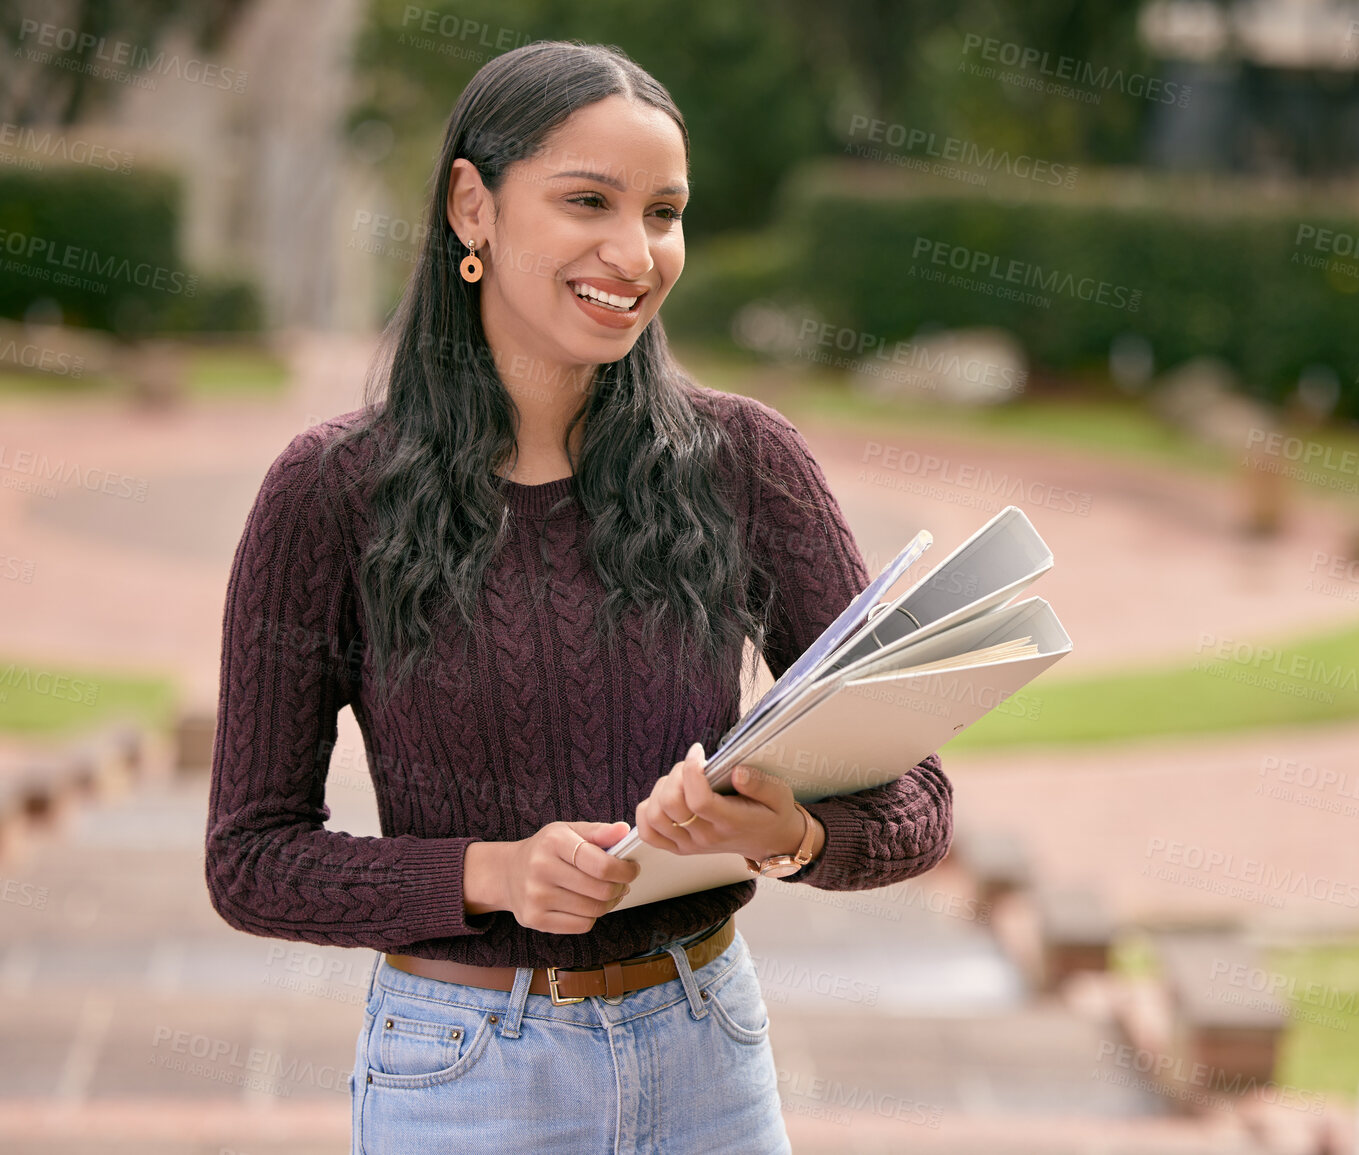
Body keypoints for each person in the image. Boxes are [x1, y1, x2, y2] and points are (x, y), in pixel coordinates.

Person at [202, 39, 953, 1154]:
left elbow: (920, 803)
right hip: (460, 1075)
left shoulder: (744, 462)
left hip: (710, 1058)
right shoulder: (330, 496)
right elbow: (252, 860)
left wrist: (787, 832)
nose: (635, 251)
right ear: (473, 205)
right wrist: (493, 873)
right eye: (588, 201)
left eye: (663, 211)